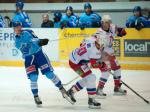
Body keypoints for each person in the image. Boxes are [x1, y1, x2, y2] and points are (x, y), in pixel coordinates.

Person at [12, 21, 73, 106]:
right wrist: (34, 43)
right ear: (14, 29)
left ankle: (62, 90)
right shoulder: (16, 41)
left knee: (49, 74)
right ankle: (36, 96)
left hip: (39, 55)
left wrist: (40, 41)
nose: (18, 28)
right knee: (33, 77)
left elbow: (35, 39)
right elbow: (26, 50)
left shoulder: (28, 32)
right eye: (16, 27)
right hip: (29, 59)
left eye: (19, 26)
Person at [67, 33, 109, 109]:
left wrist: (86, 56)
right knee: (91, 78)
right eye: (102, 45)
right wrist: (102, 65)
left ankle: (71, 91)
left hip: (74, 58)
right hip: (75, 64)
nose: (102, 47)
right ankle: (91, 100)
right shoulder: (95, 52)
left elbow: (81, 43)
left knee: (88, 78)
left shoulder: (91, 39)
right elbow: (94, 65)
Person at [90, 15, 127, 97]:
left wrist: (122, 32)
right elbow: (97, 46)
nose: (107, 24)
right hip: (103, 54)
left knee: (117, 68)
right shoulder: (99, 34)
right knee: (106, 72)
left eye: (108, 22)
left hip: (110, 53)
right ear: (102, 23)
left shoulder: (112, 27)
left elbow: (121, 30)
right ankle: (99, 89)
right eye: (105, 22)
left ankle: (117, 88)